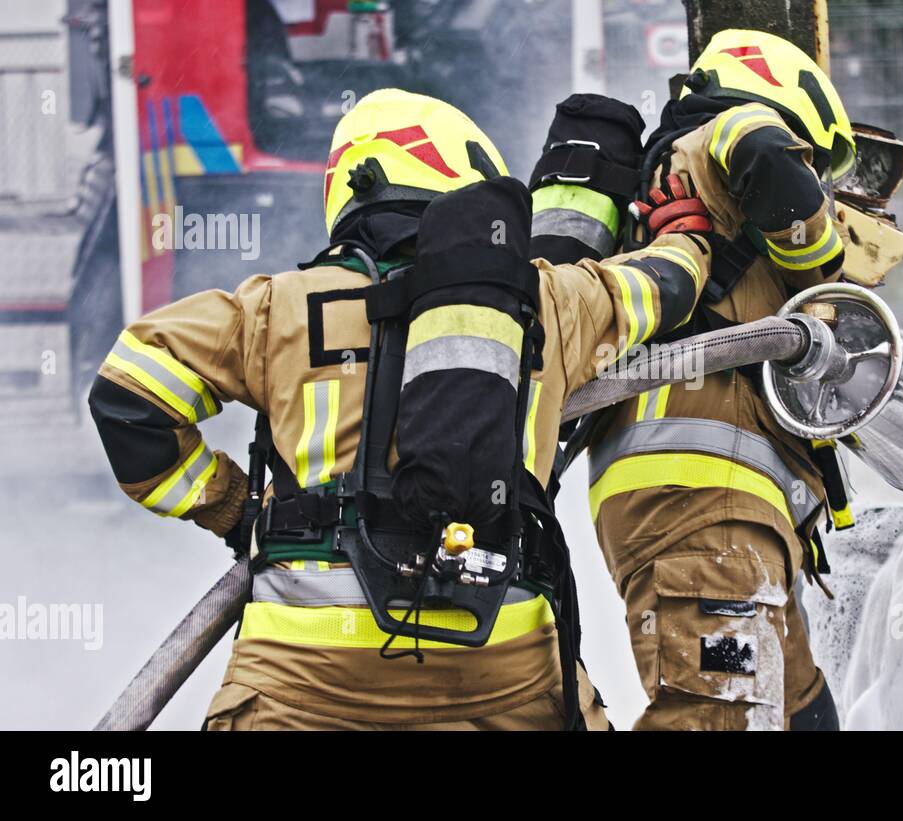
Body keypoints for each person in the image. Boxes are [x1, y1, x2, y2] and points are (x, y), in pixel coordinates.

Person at [87, 88, 714, 730]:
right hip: (501, 660)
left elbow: (128, 393)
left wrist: (232, 507)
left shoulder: (277, 307)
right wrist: (687, 232)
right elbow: (663, 288)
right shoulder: (550, 299)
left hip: (301, 668)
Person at [569, 29, 903, 730]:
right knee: (717, 718)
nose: (817, 179)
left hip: (717, 503)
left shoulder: (690, 196)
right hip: (702, 498)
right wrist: (822, 268)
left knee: (801, 712)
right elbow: (764, 152)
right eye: (814, 161)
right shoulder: (723, 133)